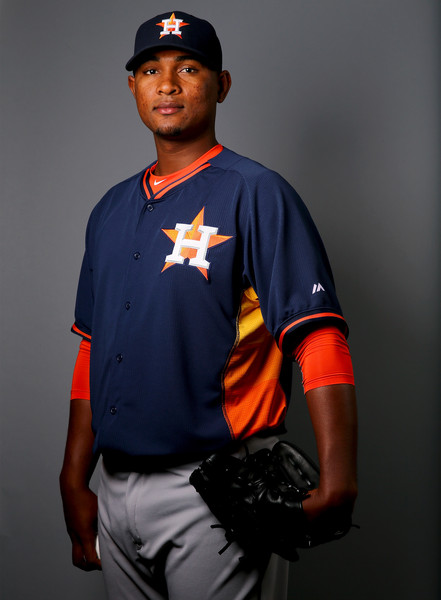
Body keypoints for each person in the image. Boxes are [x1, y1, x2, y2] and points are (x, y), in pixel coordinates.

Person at [59, 11, 357, 600]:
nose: (167, 84)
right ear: (133, 87)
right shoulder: (109, 209)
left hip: (217, 486)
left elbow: (317, 335)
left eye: (188, 68)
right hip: (115, 486)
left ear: (221, 85)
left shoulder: (256, 192)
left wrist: (340, 477)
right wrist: (74, 476)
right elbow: (93, 347)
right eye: (151, 70)